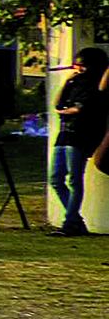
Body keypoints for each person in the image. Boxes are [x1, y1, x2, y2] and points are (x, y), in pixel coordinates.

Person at [50, 47, 108, 236]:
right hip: (65, 133)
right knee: (56, 179)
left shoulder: (95, 87)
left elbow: (80, 109)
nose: (79, 69)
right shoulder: (74, 83)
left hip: (81, 135)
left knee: (74, 179)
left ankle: (70, 222)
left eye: (82, 66)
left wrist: (65, 110)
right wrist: (66, 82)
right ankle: (75, 220)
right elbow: (58, 104)